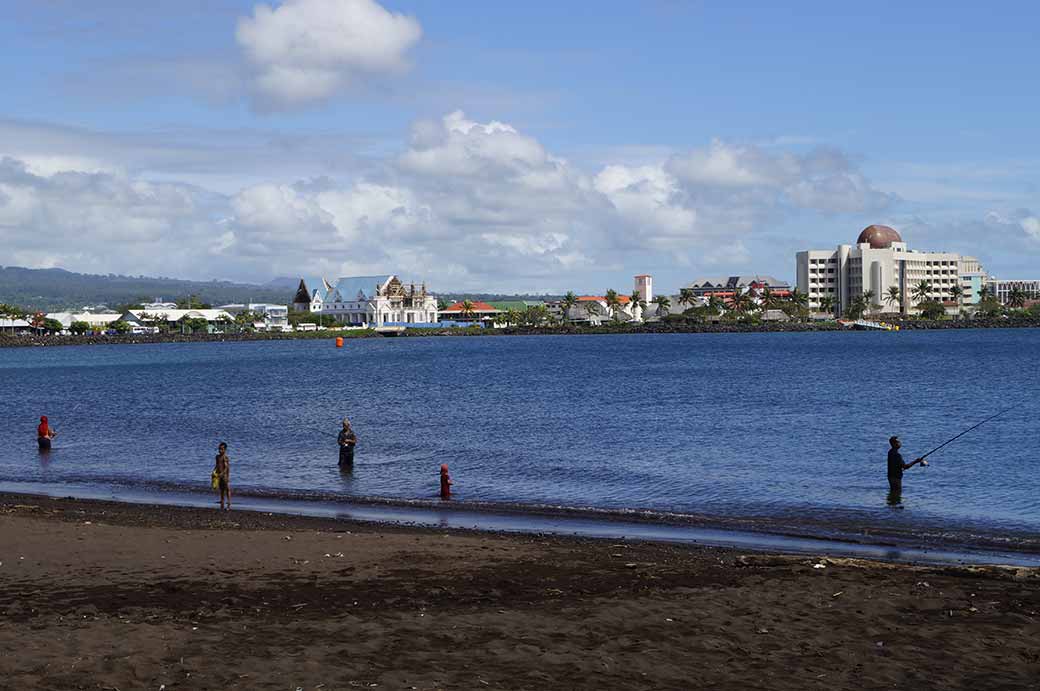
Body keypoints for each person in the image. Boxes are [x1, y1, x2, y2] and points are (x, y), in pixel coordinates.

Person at [887, 436, 926, 503]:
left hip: (891, 476)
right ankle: (895, 510)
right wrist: (916, 461)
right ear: (893, 444)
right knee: (897, 494)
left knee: (893, 494)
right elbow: (905, 466)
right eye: (898, 442)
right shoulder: (897, 455)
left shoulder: (890, 452)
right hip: (896, 478)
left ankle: (892, 509)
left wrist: (900, 469)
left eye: (899, 442)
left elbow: (895, 465)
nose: (900, 443)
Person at [214, 442, 232, 510]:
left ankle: (229, 501)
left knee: (227, 488)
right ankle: (222, 500)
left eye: (221, 449)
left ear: (225, 450)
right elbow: (216, 465)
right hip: (219, 474)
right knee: (221, 489)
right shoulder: (217, 457)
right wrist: (214, 472)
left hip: (224, 475)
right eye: (219, 449)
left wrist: (227, 476)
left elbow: (227, 467)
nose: (220, 450)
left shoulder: (225, 457)